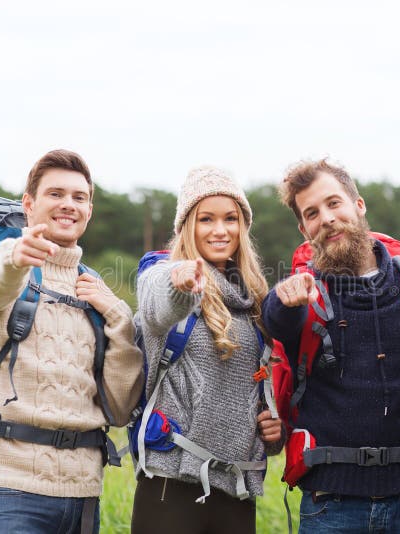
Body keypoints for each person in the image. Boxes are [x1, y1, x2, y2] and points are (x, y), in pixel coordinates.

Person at [0, 149, 144, 534]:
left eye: (79, 197)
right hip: (7, 486)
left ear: (89, 210)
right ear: (29, 204)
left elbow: (121, 409)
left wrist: (120, 320)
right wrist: (13, 258)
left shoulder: (96, 290)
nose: (68, 205)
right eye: (55, 194)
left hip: (83, 493)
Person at [261, 159, 400, 534]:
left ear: (358, 205)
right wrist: (284, 299)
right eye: (312, 213)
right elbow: (277, 320)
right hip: (331, 504)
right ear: (304, 229)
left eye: (334, 204)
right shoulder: (305, 293)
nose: (327, 218)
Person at [130, 166, 284, 534]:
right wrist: (179, 283)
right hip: (170, 483)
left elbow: (251, 388)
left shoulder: (253, 300)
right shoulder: (162, 273)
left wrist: (271, 426)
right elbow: (157, 305)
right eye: (206, 219)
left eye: (230, 218)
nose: (220, 230)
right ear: (187, 226)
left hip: (236, 486)